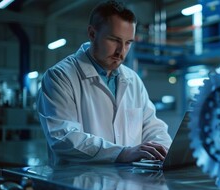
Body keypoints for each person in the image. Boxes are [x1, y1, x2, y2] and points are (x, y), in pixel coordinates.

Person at [37, 0, 172, 165]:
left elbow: (152, 127)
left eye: (128, 43)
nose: (121, 51)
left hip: (128, 183)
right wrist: (121, 153)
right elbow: (63, 138)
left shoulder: (133, 80)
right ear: (92, 34)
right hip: (78, 181)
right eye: (114, 40)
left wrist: (164, 151)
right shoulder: (60, 77)